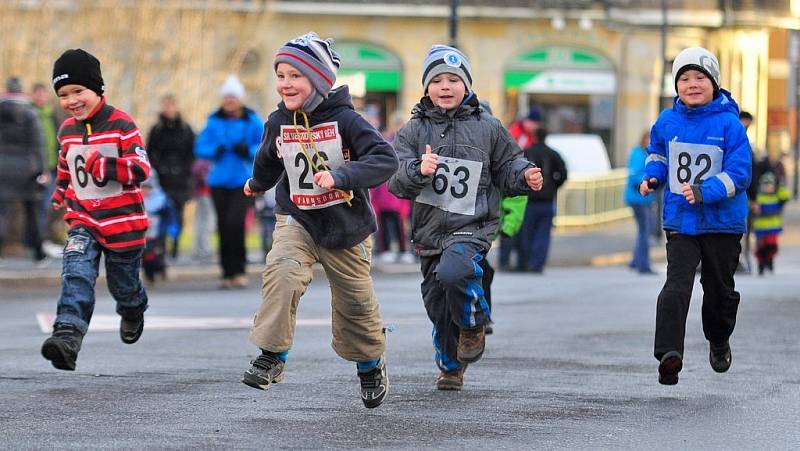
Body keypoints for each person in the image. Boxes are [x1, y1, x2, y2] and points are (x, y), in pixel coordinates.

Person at [240, 32, 398, 409]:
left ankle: (370, 365)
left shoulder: (347, 119)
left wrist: (342, 176)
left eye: (295, 75)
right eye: (280, 75)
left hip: (346, 226)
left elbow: (385, 160)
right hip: (298, 218)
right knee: (282, 271)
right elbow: (268, 159)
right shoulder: (278, 120)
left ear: (319, 79)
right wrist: (256, 183)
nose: (285, 83)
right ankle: (272, 356)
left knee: (355, 304)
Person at [388, 45, 543, 391]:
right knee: (437, 301)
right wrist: (418, 169)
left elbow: (508, 164)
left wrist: (525, 175)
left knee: (455, 271)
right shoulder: (413, 130)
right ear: (426, 87)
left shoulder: (487, 126)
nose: (446, 86)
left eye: (454, 80)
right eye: (438, 80)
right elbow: (395, 178)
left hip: (471, 225)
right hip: (429, 230)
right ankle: (450, 365)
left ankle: (474, 322)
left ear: (467, 85)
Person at [640, 47, 751, 385]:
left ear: (714, 82)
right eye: (684, 78)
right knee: (676, 286)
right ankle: (669, 354)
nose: (692, 84)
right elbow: (657, 154)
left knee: (719, 290)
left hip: (723, 223)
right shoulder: (666, 121)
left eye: (700, 78)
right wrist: (653, 177)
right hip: (682, 221)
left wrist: (707, 190)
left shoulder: (730, 124)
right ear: (676, 85)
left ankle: (718, 339)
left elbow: (741, 171)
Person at [41, 49, 150, 371]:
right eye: (63, 94)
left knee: (124, 287)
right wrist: (62, 192)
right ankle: (67, 336)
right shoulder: (67, 131)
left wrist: (106, 165)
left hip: (123, 222)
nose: (72, 100)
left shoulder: (121, 123)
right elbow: (66, 167)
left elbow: (141, 168)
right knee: (75, 272)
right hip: (83, 218)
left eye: (78, 91)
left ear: (97, 89)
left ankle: (133, 309)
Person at [195, 75, 263, 289]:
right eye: (226, 98)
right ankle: (227, 271)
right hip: (219, 180)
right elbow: (200, 147)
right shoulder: (214, 120)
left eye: (233, 98)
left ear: (240, 99)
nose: (229, 102)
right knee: (223, 226)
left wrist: (249, 151)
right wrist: (215, 150)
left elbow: (263, 147)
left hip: (242, 181)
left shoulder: (252, 120)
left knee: (236, 224)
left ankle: (239, 269)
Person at [0, 77, 48, 264]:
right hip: (28, 169)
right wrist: (43, 169)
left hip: (2, 167)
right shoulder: (31, 113)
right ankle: (38, 253)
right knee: (33, 212)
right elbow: (39, 144)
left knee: (1, 211)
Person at [146, 94, 195, 260]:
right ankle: (161, 244)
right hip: (162, 178)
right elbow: (150, 151)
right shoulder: (157, 130)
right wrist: (158, 168)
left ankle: (175, 242)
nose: (168, 109)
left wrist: (186, 171)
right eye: (165, 105)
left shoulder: (185, 129)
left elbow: (191, 153)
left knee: (177, 212)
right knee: (161, 211)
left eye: (170, 105)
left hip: (180, 178)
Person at [520, 127, 568, 273]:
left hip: (530, 200)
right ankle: (537, 263)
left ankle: (527, 261)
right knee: (543, 234)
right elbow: (563, 174)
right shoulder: (553, 154)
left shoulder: (527, 152)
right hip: (547, 200)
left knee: (527, 233)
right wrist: (553, 186)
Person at [31, 82, 64, 246]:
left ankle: (42, 240)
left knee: (47, 204)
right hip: (34, 168)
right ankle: (34, 242)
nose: (41, 97)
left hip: (52, 167)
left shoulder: (52, 115)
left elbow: (57, 141)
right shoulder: (29, 114)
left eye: (43, 94)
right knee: (34, 205)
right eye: (38, 94)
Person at [625, 130, 657, 274]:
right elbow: (634, 176)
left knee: (644, 230)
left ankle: (636, 260)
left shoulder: (644, 154)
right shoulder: (639, 154)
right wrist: (648, 181)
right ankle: (643, 264)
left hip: (644, 198)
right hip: (639, 198)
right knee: (645, 230)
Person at [141, 171, 177, 285]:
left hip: (158, 234)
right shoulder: (136, 200)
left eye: (148, 188)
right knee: (145, 256)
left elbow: (171, 215)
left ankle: (161, 269)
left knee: (157, 255)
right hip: (143, 235)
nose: (145, 191)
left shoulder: (161, 199)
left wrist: (172, 227)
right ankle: (149, 276)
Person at [751, 168, 790, 275]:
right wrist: (753, 207)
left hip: (773, 227)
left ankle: (769, 260)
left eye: (770, 185)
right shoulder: (758, 197)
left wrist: (781, 184)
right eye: (765, 185)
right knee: (760, 248)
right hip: (760, 228)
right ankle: (761, 264)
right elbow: (750, 206)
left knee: (772, 246)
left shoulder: (776, 196)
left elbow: (786, 196)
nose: (767, 187)